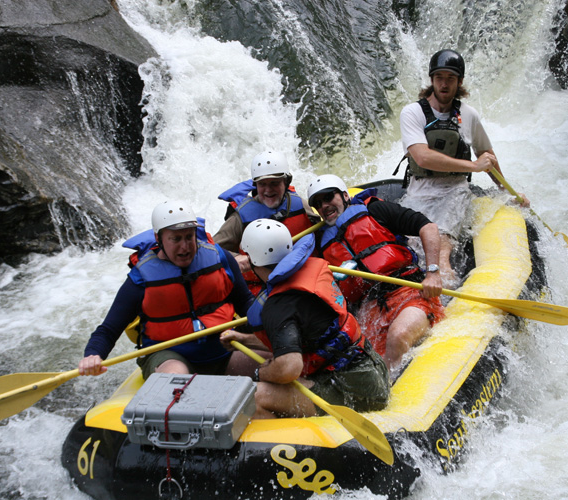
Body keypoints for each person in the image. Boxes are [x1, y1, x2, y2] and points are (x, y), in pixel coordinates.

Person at [221, 219, 390, 419]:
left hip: (353, 394)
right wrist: (243, 339)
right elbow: (297, 340)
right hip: (374, 371)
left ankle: (285, 446)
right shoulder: (313, 269)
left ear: (250, 259)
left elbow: (290, 367)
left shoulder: (278, 306)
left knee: (253, 396)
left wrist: (260, 373)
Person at [78, 200, 260, 380]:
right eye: (176, 239)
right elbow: (109, 329)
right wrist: (93, 354)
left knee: (277, 365)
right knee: (177, 377)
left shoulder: (219, 258)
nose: (185, 246)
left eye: (189, 237)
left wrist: (272, 323)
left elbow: (245, 302)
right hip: (170, 356)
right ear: (159, 239)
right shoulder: (141, 278)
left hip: (224, 352)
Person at [398, 49, 529, 283]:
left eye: (451, 78)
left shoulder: (469, 115)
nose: (444, 84)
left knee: (443, 234)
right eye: (439, 78)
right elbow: (423, 157)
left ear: (460, 82)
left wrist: (505, 190)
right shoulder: (412, 112)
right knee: (413, 239)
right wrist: (474, 166)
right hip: (420, 188)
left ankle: (444, 273)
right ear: (432, 80)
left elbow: (487, 155)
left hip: (455, 188)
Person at [306, 174, 445, 373]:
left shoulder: (374, 210)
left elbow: (428, 228)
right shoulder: (321, 244)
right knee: (371, 366)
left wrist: (433, 273)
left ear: (345, 196)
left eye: (328, 197)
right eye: (317, 203)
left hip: (408, 291)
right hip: (371, 309)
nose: (324, 205)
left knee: (398, 336)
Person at [213, 150, 320, 294]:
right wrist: (236, 258)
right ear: (256, 185)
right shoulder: (241, 216)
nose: (268, 190)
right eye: (262, 184)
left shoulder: (299, 205)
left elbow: (322, 233)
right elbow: (212, 248)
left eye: (274, 183)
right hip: (262, 290)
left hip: (304, 280)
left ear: (286, 182)